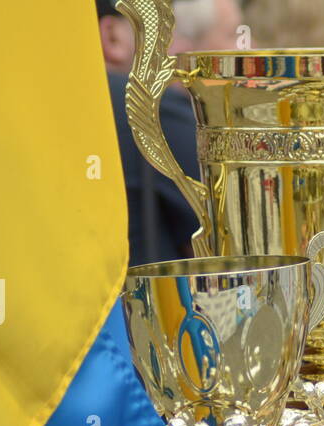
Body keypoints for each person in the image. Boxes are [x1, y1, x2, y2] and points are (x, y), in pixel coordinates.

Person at [97, 0, 241, 265]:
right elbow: (231, 235)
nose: (173, 46)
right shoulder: (151, 107)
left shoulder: (48, 105)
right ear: (112, 37)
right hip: (149, 301)